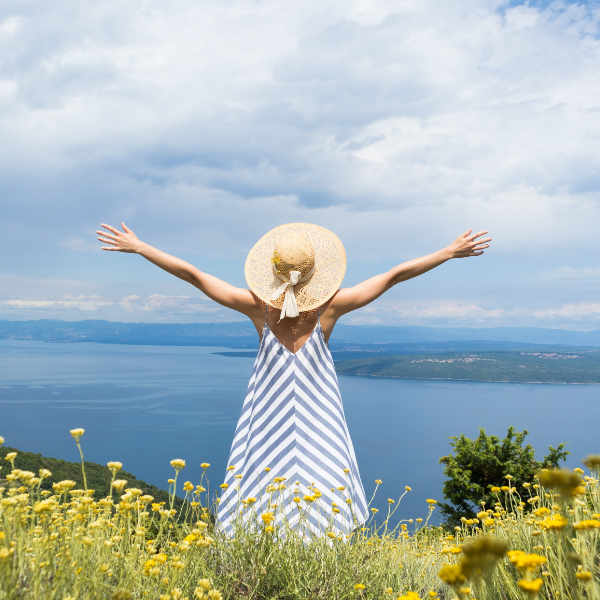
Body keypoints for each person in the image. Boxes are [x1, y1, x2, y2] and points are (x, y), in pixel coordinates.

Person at [97, 222, 491, 536]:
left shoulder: (257, 309)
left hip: (267, 424)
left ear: (272, 272)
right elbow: (393, 276)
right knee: (324, 495)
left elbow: (195, 276)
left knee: (261, 494)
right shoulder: (331, 308)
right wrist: (449, 252)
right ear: (316, 273)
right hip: (322, 426)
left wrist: (141, 247)